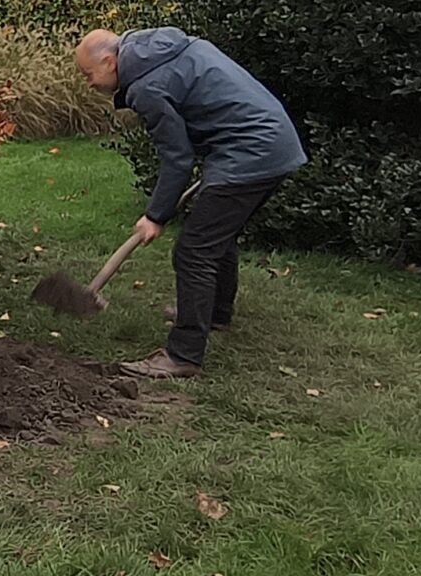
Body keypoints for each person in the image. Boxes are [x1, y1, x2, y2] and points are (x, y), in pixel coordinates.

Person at [75, 26, 306, 379]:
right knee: (215, 234)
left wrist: (155, 215)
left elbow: (177, 157)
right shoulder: (159, 47)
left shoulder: (146, 86)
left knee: (194, 250)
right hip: (273, 141)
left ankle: (183, 355)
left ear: (109, 61)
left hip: (251, 151)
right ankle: (215, 314)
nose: (88, 83)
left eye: (88, 75)